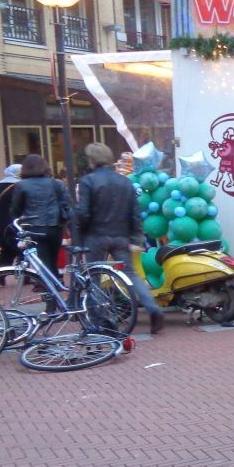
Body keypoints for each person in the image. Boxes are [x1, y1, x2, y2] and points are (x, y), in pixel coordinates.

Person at [76, 142, 164, 334]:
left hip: (96, 236)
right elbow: (134, 213)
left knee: (94, 277)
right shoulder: (125, 182)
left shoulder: (88, 181)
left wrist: (79, 233)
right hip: (121, 236)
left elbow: (83, 213)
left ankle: (101, 320)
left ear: (92, 160)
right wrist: (136, 238)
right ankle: (152, 307)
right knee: (130, 274)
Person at [10, 154, 69, 280]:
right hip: (55, 226)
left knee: (42, 261)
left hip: (34, 228)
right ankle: (56, 282)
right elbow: (66, 204)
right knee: (53, 258)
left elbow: (15, 210)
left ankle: (49, 287)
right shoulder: (57, 184)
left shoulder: (22, 185)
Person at [0, 163, 21, 266]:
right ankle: (22, 272)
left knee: (6, 249)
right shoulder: (21, 185)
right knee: (21, 247)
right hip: (16, 221)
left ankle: (3, 270)